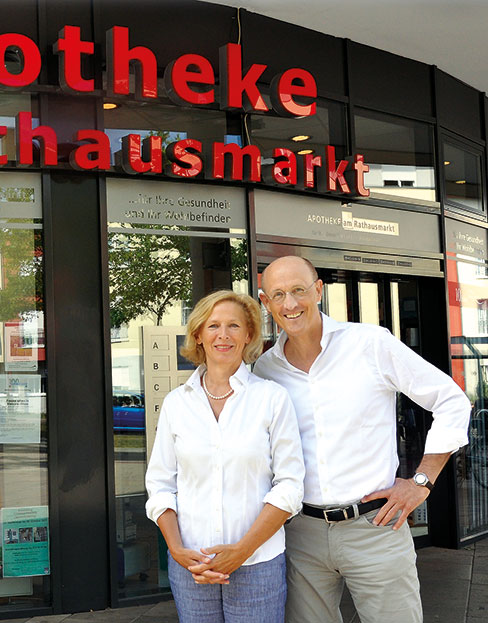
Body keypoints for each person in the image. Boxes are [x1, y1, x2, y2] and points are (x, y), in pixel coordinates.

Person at [254, 255, 470, 623]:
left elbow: (450, 400)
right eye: (278, 295)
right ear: (265, 302)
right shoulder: (265, 369)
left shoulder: (369, 343)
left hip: (375, 527)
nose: (290, 304)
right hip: (300, 534)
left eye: (298, 290)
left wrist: (422, 482)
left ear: (318, 290)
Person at [145, 290, 305, 623]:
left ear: (248, 335)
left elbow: (290, 486)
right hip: (192, 565)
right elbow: (160, 484)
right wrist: (176, 550)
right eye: (213, 325)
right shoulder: (177, 403)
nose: (223, 335)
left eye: (234, 326)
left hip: (258, 564)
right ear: (198, 335)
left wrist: (241, 551)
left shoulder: (272, 398)